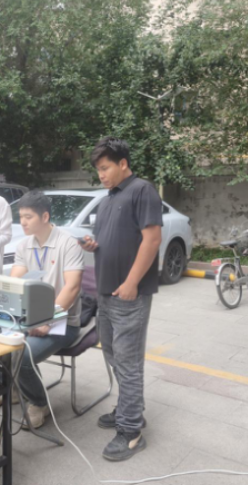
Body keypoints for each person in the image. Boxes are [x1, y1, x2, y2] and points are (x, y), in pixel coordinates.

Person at [81, 137, 163, 463]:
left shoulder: (142, 191)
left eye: (105, 168)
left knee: (128, 363)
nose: (101, 175)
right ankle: (130, 409)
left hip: (129, 294)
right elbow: (112, 240)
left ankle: (131, 432)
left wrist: (132, 282)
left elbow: (152, 239)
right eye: (98, 170)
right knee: (114, 356)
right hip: (106, 293)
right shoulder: (108, 199)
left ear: (123, 163)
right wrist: (93, 245)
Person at [0, 191, 85, 429]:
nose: (23, 222)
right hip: (29, 319)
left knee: (22, 356)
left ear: (45, 217)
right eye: (21, 216)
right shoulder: (24, 245)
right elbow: (15, 282)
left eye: (28, 217)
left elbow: (72, 288)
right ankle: (12, 388)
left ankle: (39, 402)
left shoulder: (68, 244)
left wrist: (47, 320)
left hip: (62, 322)